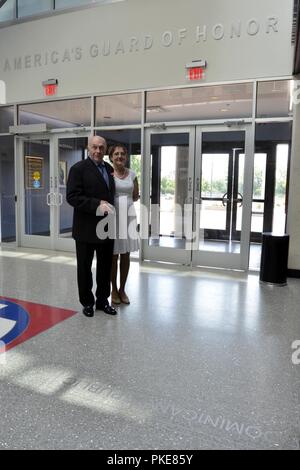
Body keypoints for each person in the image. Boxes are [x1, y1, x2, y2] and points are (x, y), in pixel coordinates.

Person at [66, 135, 117, 317]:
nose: (97, 151)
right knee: (85, 268)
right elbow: (72, 197)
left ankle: (103, 301)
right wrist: (97, 204)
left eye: (101, 148)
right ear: (88, 147)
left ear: (105, 149)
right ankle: (87, 302)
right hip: (86, 228)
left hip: (106, 227)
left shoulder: (109, 169)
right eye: (94, 147)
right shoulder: (78, 169)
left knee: (105, 267)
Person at [109, 144, 139, 305]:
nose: (119, 156)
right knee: (113, 255)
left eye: (122, 154)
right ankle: (113, 289)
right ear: (111, 157)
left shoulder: (133, 174)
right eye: (116, 154)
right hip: (113, 215)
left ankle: (122, 289)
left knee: (126, 254)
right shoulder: (108, 174)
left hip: (128, 215)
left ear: (126, 157)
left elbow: (135, 196)